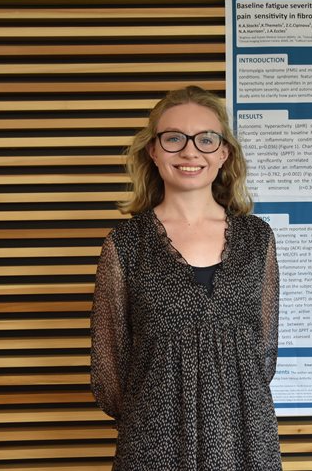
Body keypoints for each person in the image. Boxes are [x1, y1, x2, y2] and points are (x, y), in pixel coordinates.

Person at [90, 86, 281, 470]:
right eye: (174, 138)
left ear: (224, 152)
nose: (190, 151)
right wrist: (150, 417)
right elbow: (109, 368)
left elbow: (264, 352)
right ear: (154, 151)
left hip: (244, 437)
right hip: (153, 438)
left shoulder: (258, 239)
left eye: (206, 139)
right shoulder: (126, 245)